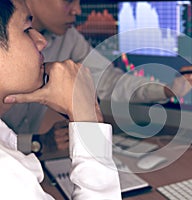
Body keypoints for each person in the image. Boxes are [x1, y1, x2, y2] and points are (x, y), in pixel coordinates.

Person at [2, 0, 192, 155]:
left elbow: (109, 81)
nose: (77, 10)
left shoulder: (69, 39)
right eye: (68, 1)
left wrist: (167, 89)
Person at [0, 0, 121, 198]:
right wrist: (87, 120)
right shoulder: (5, 173)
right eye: (26, 29)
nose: (41, 42)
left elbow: (111, 80)